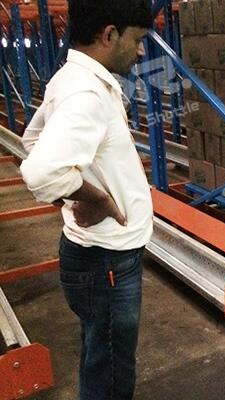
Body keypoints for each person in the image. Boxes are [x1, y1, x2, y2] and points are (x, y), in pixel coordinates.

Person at [19, 1, 153, 398]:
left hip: (100, 260)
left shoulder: (73, 77)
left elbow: (32, 140)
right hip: (106, 263)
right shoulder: (86, 93)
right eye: (138, 40)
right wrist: (97, 199)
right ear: (109, 34)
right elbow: (41, 172)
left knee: (101, 355)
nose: (140, 51)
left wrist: (74, 195)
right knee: (110, 371)